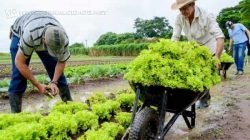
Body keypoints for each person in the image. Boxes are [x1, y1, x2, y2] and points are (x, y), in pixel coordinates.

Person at [9, 11, 72, 113]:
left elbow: (61, 61)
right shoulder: (29, 35)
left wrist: (54, 81)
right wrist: (38, 85)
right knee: (18, 76)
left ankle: (69, 106)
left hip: (41, 26)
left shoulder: (63, 38)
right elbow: (20, 63)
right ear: (44, 40)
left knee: (54, 68)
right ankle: (15, 114)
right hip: (20, 31)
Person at [171, 0, 225, 108]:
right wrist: (171, 52)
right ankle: (197, 96)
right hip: (194, 47)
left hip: (209, 46)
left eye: (185, 8)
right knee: (194, 72)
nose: (182, 11)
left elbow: (220, 37)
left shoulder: (206, 16)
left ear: (192, 5)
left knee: (205, 73)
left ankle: (204, 98)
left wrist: (217, 57)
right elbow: (175, 37)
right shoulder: (179, 18)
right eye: (180, 9)